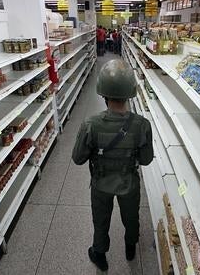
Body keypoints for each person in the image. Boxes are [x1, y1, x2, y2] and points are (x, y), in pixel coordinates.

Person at [72, 60, 154, 271]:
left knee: (101, 219)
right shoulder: (142, 125)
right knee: (131, 216)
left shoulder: (90, 124)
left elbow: (78, 158)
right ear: (130, 93)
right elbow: (145, 159)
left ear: (103, 94)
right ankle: (130, 246)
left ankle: (99, 254)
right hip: (129, 182)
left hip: (101, 183)